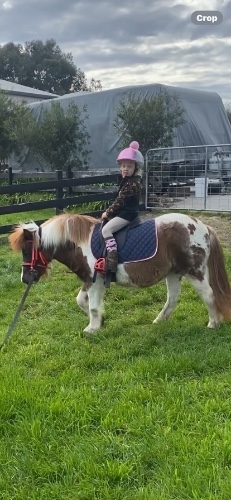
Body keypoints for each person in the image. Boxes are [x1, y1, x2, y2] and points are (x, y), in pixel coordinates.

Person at [101, 140, 144, 273]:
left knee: (106, 231)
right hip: (124, 213)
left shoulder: (133, 183)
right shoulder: (125, 181)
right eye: (124, 166)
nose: (126, 168)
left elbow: (120, 201)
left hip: (127, 215)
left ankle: (112, 259)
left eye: (129, 166)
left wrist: (108, 213)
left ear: (135, 168)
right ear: (120, 167)